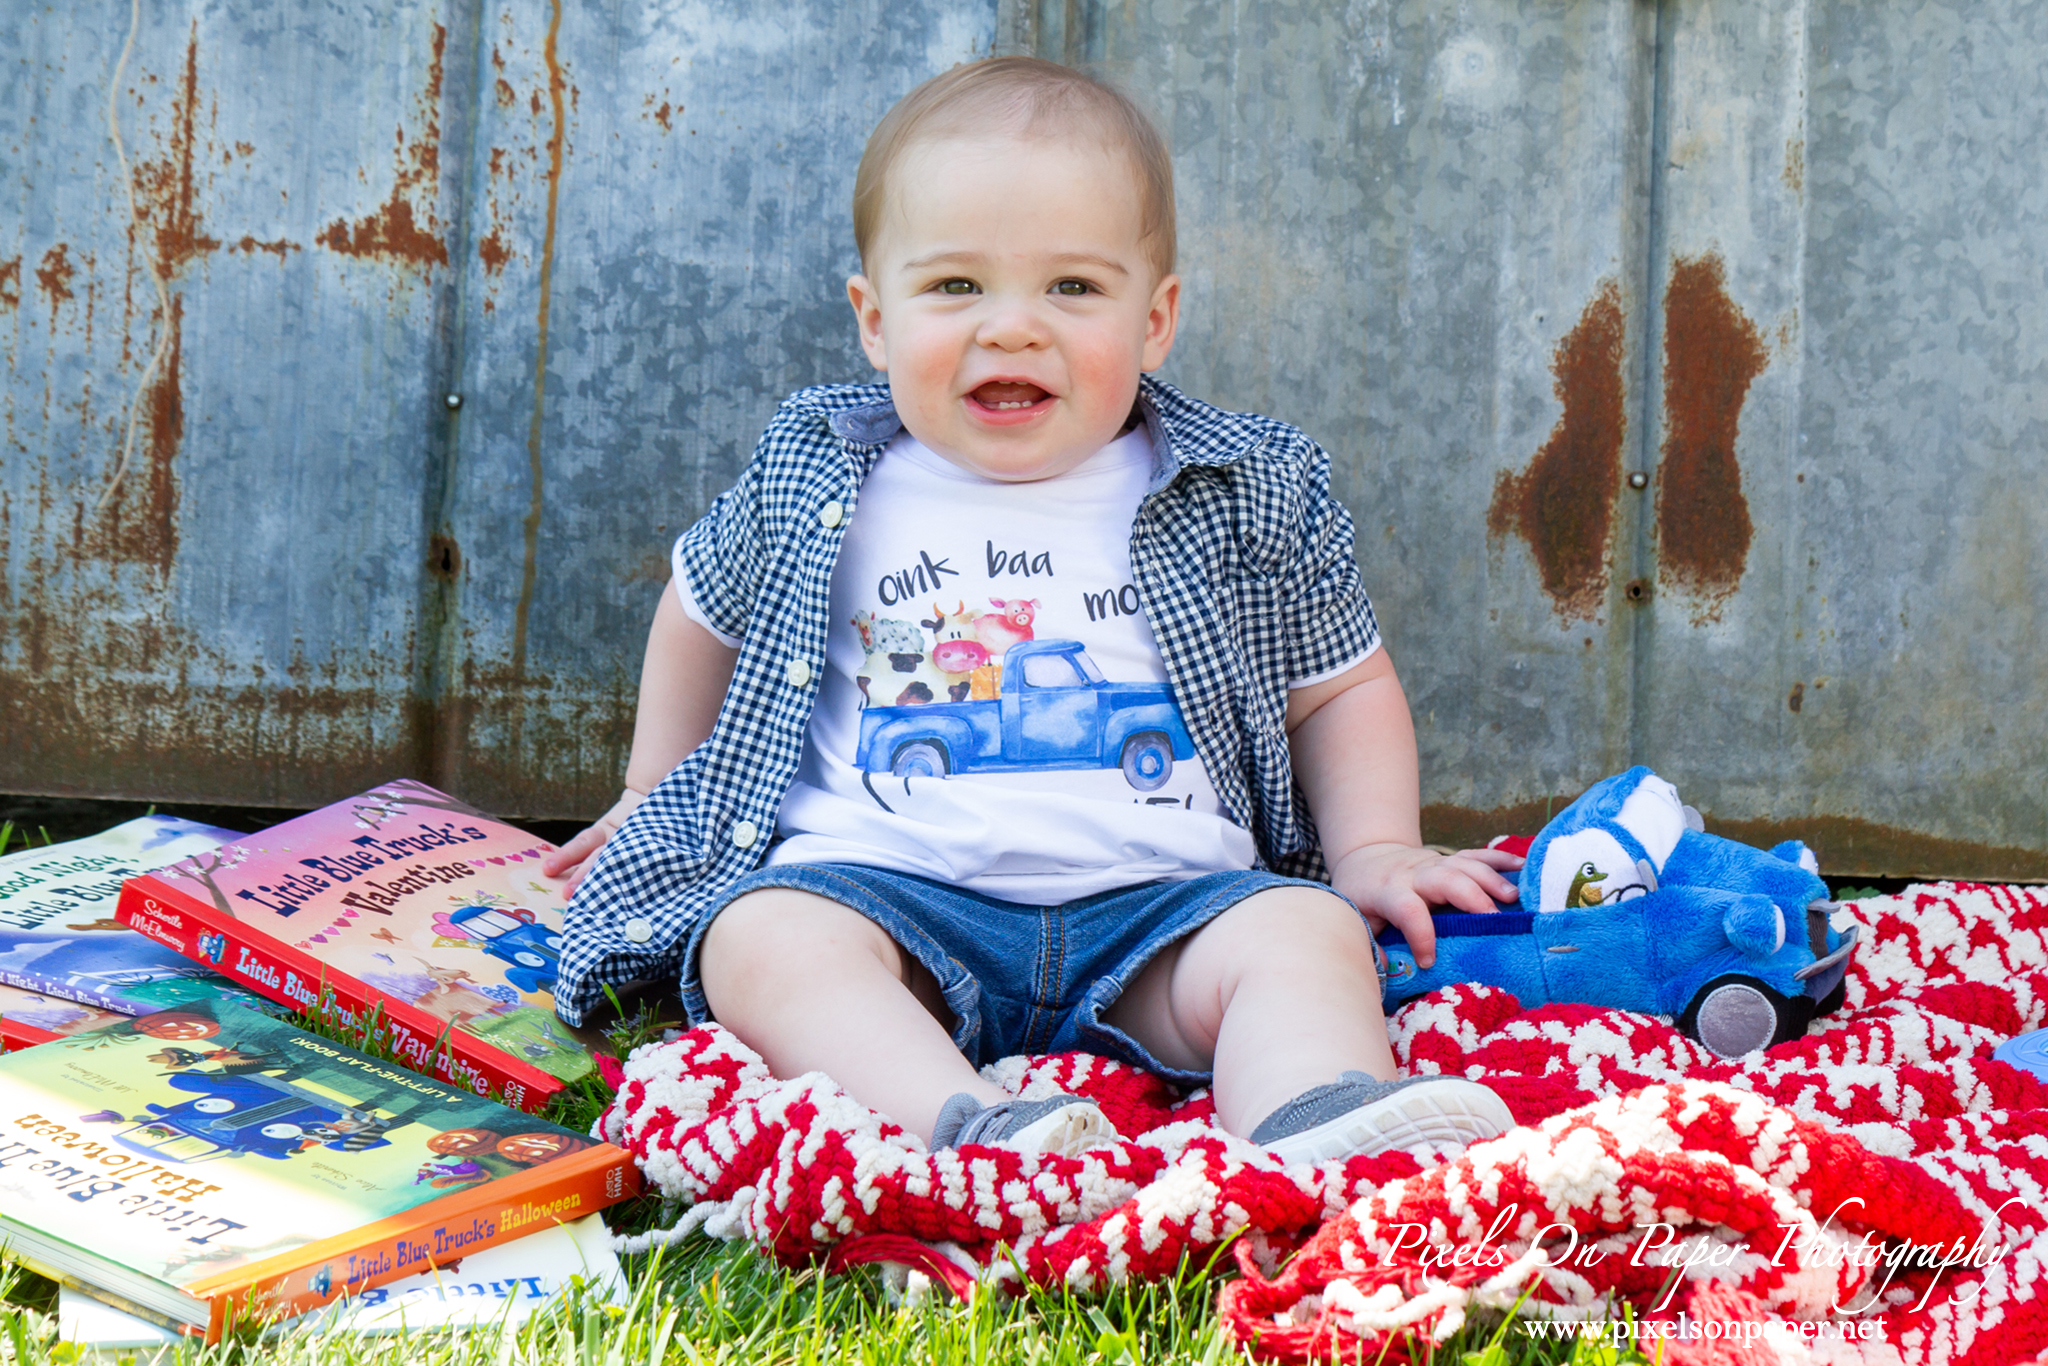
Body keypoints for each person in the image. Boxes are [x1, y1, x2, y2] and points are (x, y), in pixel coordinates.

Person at [543, 56, 1523, 1165]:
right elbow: (699, 609)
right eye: (955, 287)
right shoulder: (820, 473)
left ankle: (1309, 1115)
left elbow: (1339, 685)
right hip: (887, 896)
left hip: (1160, 910)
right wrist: (647, 793)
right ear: (873, 319)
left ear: (1154, 320)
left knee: (1302, 932)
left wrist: (1375, 846)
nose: (1010, 327)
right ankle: (969, 1126)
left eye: (1071, 288)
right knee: (759, 938)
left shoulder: (1240, 485)